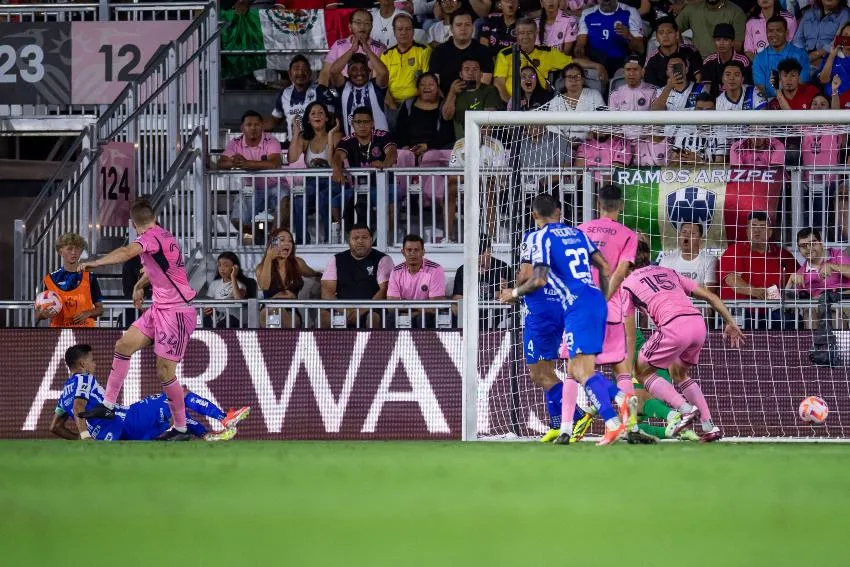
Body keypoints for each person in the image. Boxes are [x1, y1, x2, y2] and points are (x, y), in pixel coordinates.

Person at [499, 194, 634, 446]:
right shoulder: (578, 233)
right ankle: (615, 413)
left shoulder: (539, 236)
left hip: (575, 304)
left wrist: (513, 293)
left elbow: (537, 278)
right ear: (559, 211)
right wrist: (602, 298)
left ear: (534, 215)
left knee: (581, 371)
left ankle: (619, 405)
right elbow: (605, 267)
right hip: (594, 299)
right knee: (575, 369)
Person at [75, 198, 198, 441]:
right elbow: (160, 271)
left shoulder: (149, 237)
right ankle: (109, 406)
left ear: (133, 224)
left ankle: (181, 428)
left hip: (176, 312)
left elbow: (125, 253)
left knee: (165, 371)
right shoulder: (164, 235)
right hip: (159, 308)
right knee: (123, 345)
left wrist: (94, 262)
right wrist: (140, 285)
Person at [622, 240, 746, 442]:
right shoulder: (668, 272)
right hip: (698, 325)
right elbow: (710, 297)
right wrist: (730, 321)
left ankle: (685, 410)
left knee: (642, 371)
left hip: (672, 326)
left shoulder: (627, 285)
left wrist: (627, 371)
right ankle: (709, 426)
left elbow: (630, 335)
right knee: (679, 373)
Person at [50, 344, 248, 442]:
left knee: (176, 413)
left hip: (117, 433)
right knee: (178, 393)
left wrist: (81, 437)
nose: (94, 364)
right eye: (91, 360)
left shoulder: (64, 393)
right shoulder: (84, 379)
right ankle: (224, 418)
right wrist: (84, 436)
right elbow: (79, 407)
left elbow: (55, 427)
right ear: (83, 363)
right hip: (128, 419)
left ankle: (207, 436)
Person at [577, 184, 639, 408]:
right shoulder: (629, 235)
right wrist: (603, 299)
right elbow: (621, 271)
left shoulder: (580, 230)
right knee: (621, 368)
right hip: (610, 307)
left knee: (578, 368)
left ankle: (566, 423)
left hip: (580, 307)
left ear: (598, 204)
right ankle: (629, 424)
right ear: (621, 206)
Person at [493, 18, 604, 103]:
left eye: (530, 32)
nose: (526, 36)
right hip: (512, 104)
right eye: (522, 33)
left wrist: (597, 66)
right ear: (516, 35)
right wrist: (512, 106)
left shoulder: (547, 53)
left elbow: (572, 61)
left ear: (536, 33)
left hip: (539, 104)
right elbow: (499, 85)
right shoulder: (505, 54)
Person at [218, 110, 283, 243]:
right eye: (249, 125)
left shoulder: (271, 140)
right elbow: (221, 163)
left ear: (262, 126)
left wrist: (246, 163)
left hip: (275, 185)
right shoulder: (235, 142)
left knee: (286, 203)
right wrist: (235, 162)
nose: (253, 128)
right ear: (242, 128)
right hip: (252, 188)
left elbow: (274, 163)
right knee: (236, 221)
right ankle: (261, 232)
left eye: (257, 124)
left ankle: (275, 238)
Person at [331, 106, 398, 234]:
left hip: (383, 185)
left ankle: (388, 236)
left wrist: (385, 163)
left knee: (391, 196)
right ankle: (343, 235)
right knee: (335, 201)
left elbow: (392, 153)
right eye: (358, 122)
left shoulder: (383, 136)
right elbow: (337, 156)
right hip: (357, 188)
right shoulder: (347, 140)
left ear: (372, 123)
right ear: (352, 124)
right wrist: (337, 170)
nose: (362, 126)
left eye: (366, 122)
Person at [287, 101, 343, 244]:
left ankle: (328, 240)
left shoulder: (336, 136)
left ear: (326, 118)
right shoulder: (305, 138)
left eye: (320, 113)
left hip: (333, 180)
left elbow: (331, 164)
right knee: (299, 198)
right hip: (312, 181)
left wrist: (330, 135)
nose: (317, 116)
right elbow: (292, 158)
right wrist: (296, 133)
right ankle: (301, 240)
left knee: (323, 196)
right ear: (308, 119)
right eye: (313, 113)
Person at [719, 211, 798, 310]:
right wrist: (755, 291)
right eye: (753, 226)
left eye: (762, 227)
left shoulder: (783, 255)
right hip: (740, 311)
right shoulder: (734, 251)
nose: (757, 230)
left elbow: (799, 277)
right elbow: (731, 280)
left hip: (774, 311)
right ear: (747, 231)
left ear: (770, 232)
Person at [320, 223, 394, 328]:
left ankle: (374, 345)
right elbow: (326, 292)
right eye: (356, 238)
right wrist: (346, 311)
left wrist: (362, 310)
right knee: (323, 317)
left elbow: (385, 290)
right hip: (342, 309)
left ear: (371, 240)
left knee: (373, 318)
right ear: (349, 241)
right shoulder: (336, 259)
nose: (360, 241)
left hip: (372, 308)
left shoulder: (383, 259)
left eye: (364, 237)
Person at [256, 228, 320, 328]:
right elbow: (264, 285)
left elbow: (313, 273)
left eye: (290, 241)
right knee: (276, 312)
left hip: (291, 309)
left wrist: (324, 276)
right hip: (269, 308)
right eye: (282, 240)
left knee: (284, 318)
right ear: (272, 244)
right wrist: (269, 257)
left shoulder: (297, 263)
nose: (287, 243)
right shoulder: (261, 267)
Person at [37, 232, 104, 328]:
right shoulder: (51, 279)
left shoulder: (89, 277)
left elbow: (100, 309)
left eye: (77, 248)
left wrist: (88, 312)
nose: (74, 252)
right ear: (60, 252)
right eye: (69, 249)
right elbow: (38, 313)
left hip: (85, 333)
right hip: (59, 333)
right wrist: (42, 315)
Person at [267, 55, 335, 143]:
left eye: (304, 69)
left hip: (317, 146)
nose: (300, 73)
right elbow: (274, 120)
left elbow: (331, 121)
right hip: (294, 146)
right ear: (290, 73)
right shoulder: (284, 94)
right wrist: (254, 124)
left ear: (310, 73)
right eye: (296, 69)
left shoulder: (321, 91)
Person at [387, 234, 447, 327]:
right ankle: (390, 342)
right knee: (390, 316)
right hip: (413, 312)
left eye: (416, 250)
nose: (413, 254)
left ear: (423, 252)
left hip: (426, 315)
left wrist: (409, 310)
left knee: (422, 318)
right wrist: (417, 309)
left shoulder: (435, 269)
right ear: (403, 252)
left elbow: (435, 306)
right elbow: (391, 306)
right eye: (409, 250)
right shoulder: (396, 272)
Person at [429, 11, 495, 96]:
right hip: (444, 100)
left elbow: (485, 83)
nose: (463, 28)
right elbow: (434, 84)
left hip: (475, 99)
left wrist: (460, 96)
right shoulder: (439, 51)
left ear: (472, 28)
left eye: (467, 25)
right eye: (458, 25)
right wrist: (448, 99)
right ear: (452, 29)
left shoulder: (484, 51)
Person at [451, 235, 511, 326]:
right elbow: (457, 300)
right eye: (474, 252)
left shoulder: (503, 268)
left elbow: (509, 299)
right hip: (472, 317)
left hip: (497, 319)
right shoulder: (463, 270)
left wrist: (505, 291)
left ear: (490, 251)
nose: (478, 256)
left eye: (481, 253)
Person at [575, 0, 644, 77]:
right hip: (596, 61)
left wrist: (628, 35)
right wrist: (580, 52)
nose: (606, 2)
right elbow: (580, 44)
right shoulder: (587, 13)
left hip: (622, 61)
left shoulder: (630, 12)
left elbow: (640, 49)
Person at [329, 50, 390, 137]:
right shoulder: (344, 87)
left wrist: (367, 49)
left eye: (363, 69)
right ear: (348, 73)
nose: (359, 73)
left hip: (380, 144)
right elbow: (333, 71)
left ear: (368, 71)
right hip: (353, 146)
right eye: (354, 69)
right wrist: (352, 49)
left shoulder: (376, 86)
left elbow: (384, 73)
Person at [381, 13, 432, 114]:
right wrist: (392, 107)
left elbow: (427, 82)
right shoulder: (386, 55)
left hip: (415, 103)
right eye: (400, 29)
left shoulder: (423, 51)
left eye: (408, 29)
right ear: (394, 32)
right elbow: (382, 85)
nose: (404, 32)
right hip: (391, 103)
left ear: (413, 31)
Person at [442, 57, 504, 140]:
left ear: (481, 74)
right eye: (467, 70)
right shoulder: (455, 91)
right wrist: (452, 93)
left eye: (475, 70)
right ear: (461, 74)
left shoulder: (489, 90)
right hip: (460, 142)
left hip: (484, 141)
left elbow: (488, 121)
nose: (471, 73)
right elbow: (447, 116)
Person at [546, 62, 606, 141]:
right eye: (569, 77)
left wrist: (592, 134)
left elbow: (603, 119)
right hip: (562, 146)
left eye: (577, 76)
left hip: (590, 144)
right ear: (564, 81)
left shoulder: (594, 95)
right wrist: (566, 142)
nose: (573, 80)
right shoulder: (555, 102)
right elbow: (551, 127)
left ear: (583, 79)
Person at [753, 16, 811, 98]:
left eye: (778, 30)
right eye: (770, 31)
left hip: (795, 101)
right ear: (766, 33)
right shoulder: (759, 58)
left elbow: (803, 84)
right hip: (769, 103)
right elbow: (760, 88)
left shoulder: (801, 55)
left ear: (787, 32)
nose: (774, 34)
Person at [321, 9, 387, 79]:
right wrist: (323, 88)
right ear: (350, 26)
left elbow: (382, 76)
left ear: (371, 27)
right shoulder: (338, 45)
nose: (362, 27)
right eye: (358, 23)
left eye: (367, 23)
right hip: (342, 88)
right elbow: (325, 72)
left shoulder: (380, 48)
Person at [787, 227, 850, 297]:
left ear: (821, 243)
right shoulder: (800, 273)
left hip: (844, 300)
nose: (808, 248)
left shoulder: (836, 254)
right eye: (803, 246)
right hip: (819, 305)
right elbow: (796, 303)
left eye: (812, 243)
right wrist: (790, 285)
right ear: (799, 250)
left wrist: (832, 266)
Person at [669, 93, 728, 166]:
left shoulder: (721, 132)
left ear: (714, 111)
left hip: (709, 176)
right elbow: (672, 162)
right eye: (699, 109)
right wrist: (677, 161)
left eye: (708, 110)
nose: (703, 113)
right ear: (694, 110)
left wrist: (700, 162)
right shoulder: (684, 129)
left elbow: (720, 167)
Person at [643, 17, 703, 88]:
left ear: (677, 34)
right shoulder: (652, 59)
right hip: (663, 96)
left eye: (669, 32)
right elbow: (651, 87)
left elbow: (699, 78)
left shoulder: (690, 51)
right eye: (661, 33)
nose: (665, 36)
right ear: (656, 37)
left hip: (690, 94)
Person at [203, 251, 257, 329]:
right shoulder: (214, 284)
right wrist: (207, 310)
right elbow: (207, 303)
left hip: (233, 319)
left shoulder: (240, 285)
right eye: (219, 265)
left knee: (224, 323)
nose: (222, 269)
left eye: (226, 265)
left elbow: (238, 299)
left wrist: (233, 276)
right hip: (217, 317)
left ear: (234, 267)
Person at [793, 0, 850, 73]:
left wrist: (817, 54)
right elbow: (798, 38)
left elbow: (841, 40)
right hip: (804, 56)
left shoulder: (846, 14)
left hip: (828, 58)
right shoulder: (809, 12)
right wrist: (802, 55)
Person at [675, 0, 746, 58]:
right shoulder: (692, 8)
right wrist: (683, 50)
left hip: (724, 62)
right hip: (697, 61)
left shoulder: (736, 12)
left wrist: (716, 60)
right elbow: (673, 30)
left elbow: (738, 46)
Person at [659, 222, 718, 291]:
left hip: (699, 301)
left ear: (700, 239)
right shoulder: (666, 260)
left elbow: (710, 291)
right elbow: (660, 288)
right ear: (679, 236)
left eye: (692, 233)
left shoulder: (709, 259)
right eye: (684, 232)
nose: (687, 236)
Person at [701, 23, 753, 96]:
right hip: (714, 103)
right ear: (714, 42)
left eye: (726, 39)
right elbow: (706, 89)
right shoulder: (708, 61)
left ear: (732, 42)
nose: (721, 43)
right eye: (718, 39)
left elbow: (747, 88)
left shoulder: (743, 61)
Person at [818, 23, 850, 97]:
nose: (848, 38)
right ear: (840, 37)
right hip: (832, 101)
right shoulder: (831, 56)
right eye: (846, 35)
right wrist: (832, 56)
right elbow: (823, 80)